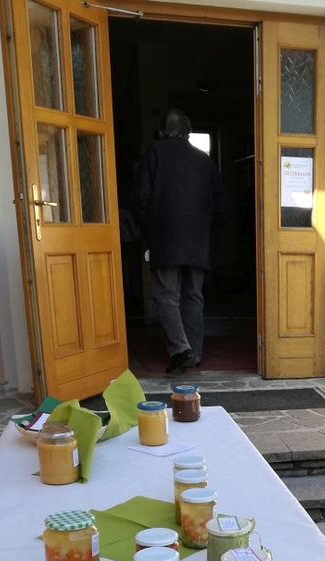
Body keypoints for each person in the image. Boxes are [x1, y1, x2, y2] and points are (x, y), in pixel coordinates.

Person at [131, 109, 229, 374]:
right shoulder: (206, 161)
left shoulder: (154, 153)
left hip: (165, 235)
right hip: (198, 240)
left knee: (166, 295)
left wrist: (149, 231)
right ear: (188, 132)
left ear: (162, 131)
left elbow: (140, 200)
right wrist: (203, 229)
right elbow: (222, 208)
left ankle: (180, 349)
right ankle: (194, 354)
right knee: (193, 296)